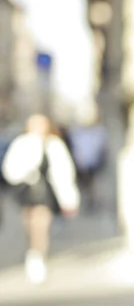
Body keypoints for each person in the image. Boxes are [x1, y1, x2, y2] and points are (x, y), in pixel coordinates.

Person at [1, 114, 80, 284]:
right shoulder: (22, 143)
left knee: (41, 223)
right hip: (27, 191)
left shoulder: (54, 145)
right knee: (30, 223)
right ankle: (33, 251)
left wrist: (69, 198)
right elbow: (10, 168)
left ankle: (37, 255)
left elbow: (63, 173)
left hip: (45, 192)